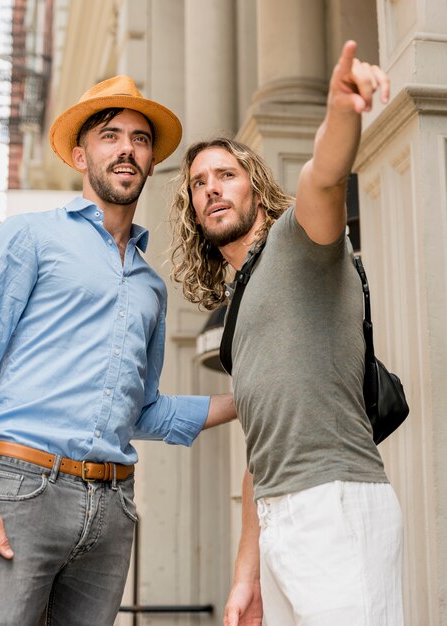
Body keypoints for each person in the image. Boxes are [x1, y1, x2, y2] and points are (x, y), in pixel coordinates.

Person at [0, 75, 236, 626]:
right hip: (18, 492)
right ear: (80, 155)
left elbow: (143, 410)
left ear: (149, 161)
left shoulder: (150, 287)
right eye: (110, 135)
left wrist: (248, 399)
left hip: (112, 510)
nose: (127, 148)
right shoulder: (29, 238)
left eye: (140, 139)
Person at [170, 41, 404, 625]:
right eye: (200, 183)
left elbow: (324, 177)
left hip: (335, 506)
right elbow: (261, 454)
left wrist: (342, 110)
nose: (213, 188)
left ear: (255, 185)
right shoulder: (239, 305)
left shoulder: (298, 243)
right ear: (193, 208)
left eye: (227, 174)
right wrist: (246, 576)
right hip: (281, 522)